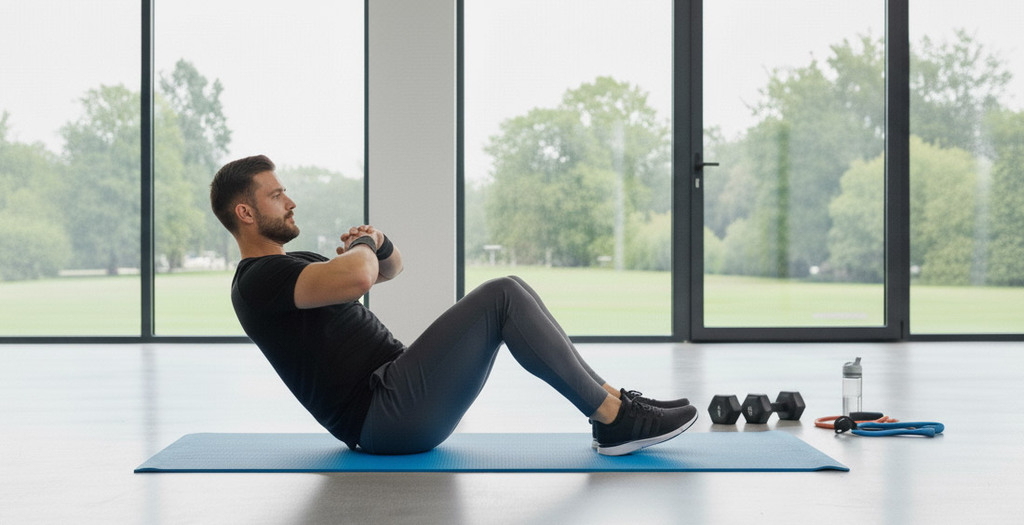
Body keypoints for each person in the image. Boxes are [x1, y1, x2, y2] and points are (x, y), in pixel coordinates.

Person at [210, 154, 697, 456]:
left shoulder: (294, 264)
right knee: (502, 294)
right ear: (246, 213)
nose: (291, 202)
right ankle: (614, 420)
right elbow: (361, 275)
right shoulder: (258, 281)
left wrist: (377, 240)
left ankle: (613, 404)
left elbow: (390, 268)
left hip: (396, 392)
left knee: (513, 288)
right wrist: (364, 247)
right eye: (277, 196)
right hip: (384, 416)